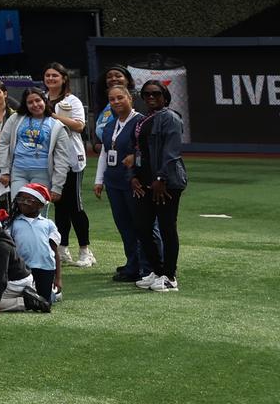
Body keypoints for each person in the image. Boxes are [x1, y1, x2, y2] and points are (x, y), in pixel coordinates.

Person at [131, 79, 186, 292]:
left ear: (165, 96)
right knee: (143, 227)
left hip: (166, 183)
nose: (151, 97)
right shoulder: (145, 119)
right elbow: (139, 151)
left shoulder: (170, 118)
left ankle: (169, 276)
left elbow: (171, 151)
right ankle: (157, 270)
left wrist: (161, 179)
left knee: (166, 227)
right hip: (146, 182)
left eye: (155, 93)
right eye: (146, 94)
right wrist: (134, 175)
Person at [38, 61, 94, 267]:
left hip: (71, 159)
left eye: (55, 76)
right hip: (50, 161)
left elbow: (79, 126)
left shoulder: (72, 101)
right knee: (59, 205)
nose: (51, 79)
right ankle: (63, 249)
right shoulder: (40, 100)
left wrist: (53, 116)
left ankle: (85, 250)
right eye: (48, 76)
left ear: (63, 79)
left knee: (75, 205)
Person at [92, 83, 148, 284]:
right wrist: (99, 180)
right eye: (112, 99)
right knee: (123, 225)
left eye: (120, 98)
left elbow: (146, 151)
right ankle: (132, 263)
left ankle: (145, 265)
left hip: (134, 182)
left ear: (130, 98)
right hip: (114, 182)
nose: (116, 102)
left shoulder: (140, 122)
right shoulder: (110, 125)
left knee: (140, 223)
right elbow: (105, 153)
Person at [0, 86, 74, 210]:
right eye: (30, 102)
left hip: (42, 174)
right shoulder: (16, 119)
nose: (35, 105)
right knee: (17, 210)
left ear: (44, 101)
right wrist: (4, 170)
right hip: (18, 172)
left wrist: (57, 186)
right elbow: (3, 143)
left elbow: (62, 159)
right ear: (25, 105)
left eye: (38, 100)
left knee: (37, 213)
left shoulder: (57, 126)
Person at [8, 182, 63, 307]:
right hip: (23, 269)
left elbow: (55, 252)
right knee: (28, 296)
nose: (22, 203)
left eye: (28, 200)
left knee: (45, 300)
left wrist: (58, 278)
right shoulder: (13, 223)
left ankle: (53, 294)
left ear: (40, 205)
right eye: (20, 199)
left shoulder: (48, 224)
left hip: (46, 268)